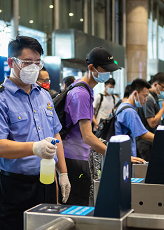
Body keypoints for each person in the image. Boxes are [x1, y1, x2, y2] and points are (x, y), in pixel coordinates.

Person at [0, 36, 71, 230]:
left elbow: (56, 135)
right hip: (14, 185)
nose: (34, 68)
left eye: (37, 63)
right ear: (11, 62)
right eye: (27, 63)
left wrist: (63, 173)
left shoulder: (44, 95)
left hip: (46, 182)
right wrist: (35, 148)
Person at [63, 46, 144, 206]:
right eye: (105, 69)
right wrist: (119, 155)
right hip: (74, 159)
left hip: (76, 156)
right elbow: (87, 136)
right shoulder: (82, 93)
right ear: (91, 68)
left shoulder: (83, 87)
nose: (108, 74)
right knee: (78, 208)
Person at [115, 78, 159, 158]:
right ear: (135, 93)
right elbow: (143, 134)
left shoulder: (123, 105)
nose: (145, 100)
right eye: (144, 96)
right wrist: (163, 139)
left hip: (122, 152)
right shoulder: (129, 111)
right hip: (125, 155)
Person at [136, 73, 164, 160]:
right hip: (145, 142)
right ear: (155, 84)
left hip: (151, 141)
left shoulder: (154, 97)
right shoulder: (149, 98)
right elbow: (151, 123)